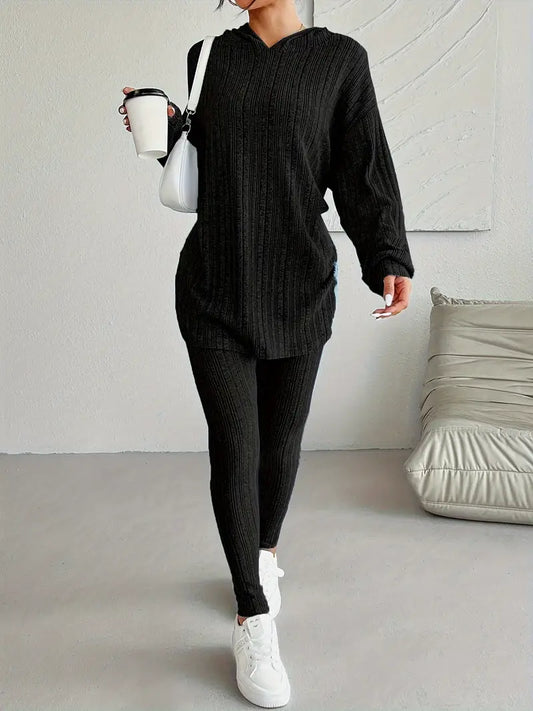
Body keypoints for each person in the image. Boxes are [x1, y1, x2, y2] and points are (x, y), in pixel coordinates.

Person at [119, 0, 414, 706]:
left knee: (280, 446)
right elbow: (213, 157)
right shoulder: (208, 57)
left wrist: (386, 256)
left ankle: (264, 552)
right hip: (214, 285)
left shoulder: (340, 61)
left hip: (299, 285)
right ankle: (252, 616)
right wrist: (163, 125)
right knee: (236, 446)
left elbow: (363, 167)